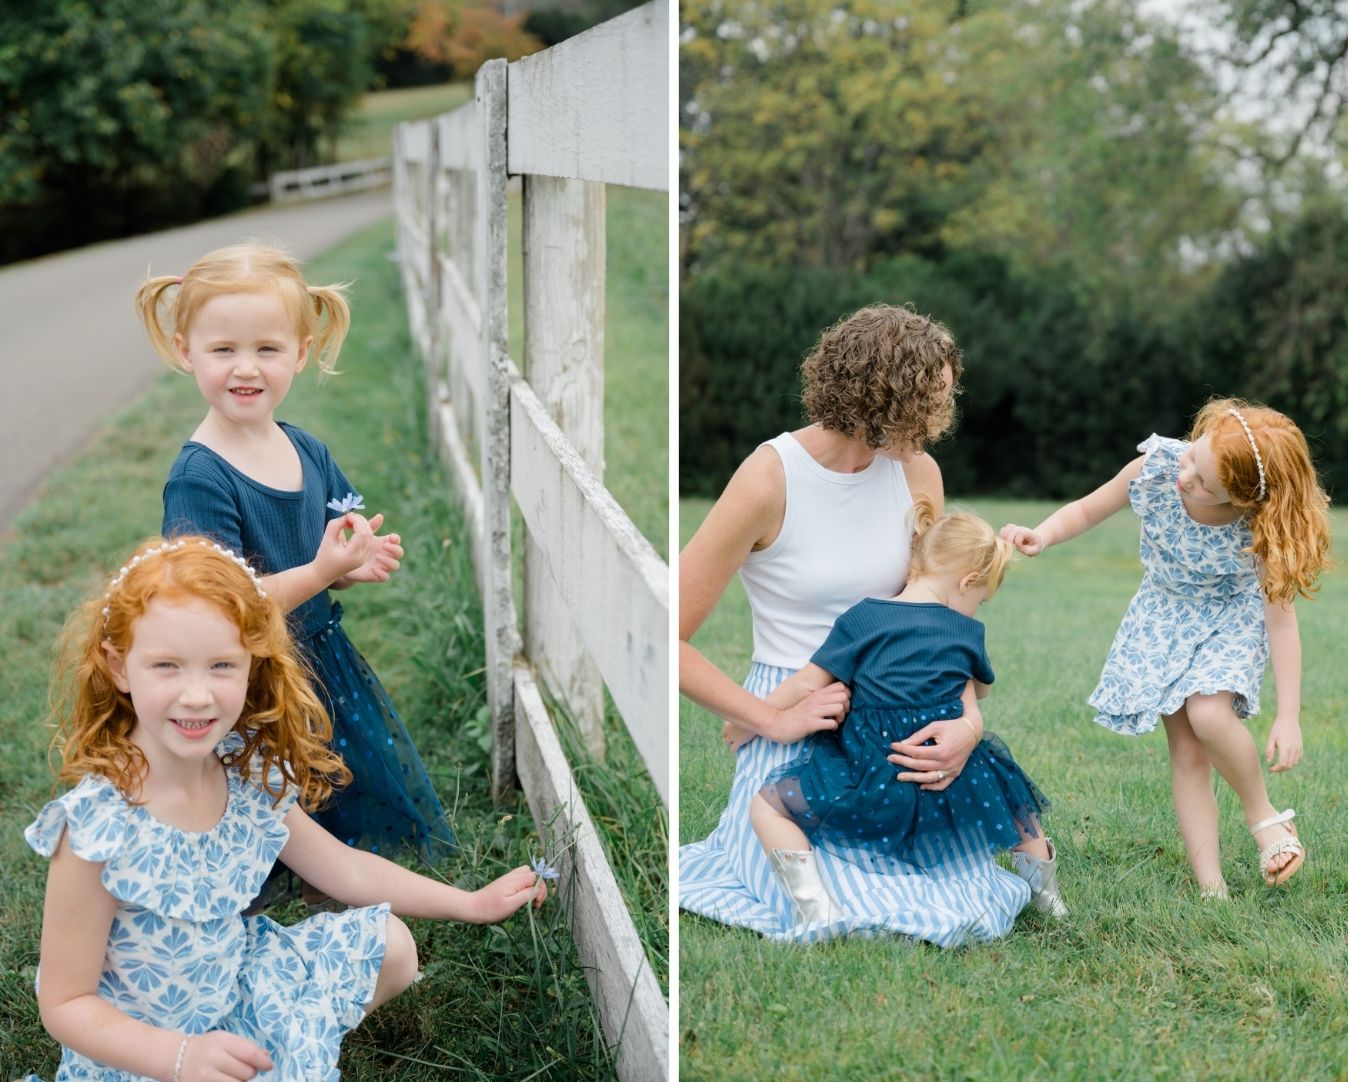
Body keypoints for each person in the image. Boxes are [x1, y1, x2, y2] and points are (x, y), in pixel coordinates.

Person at [25, 537, 547, 1081]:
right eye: (167, 666)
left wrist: (470, 903)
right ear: (119, 668)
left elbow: (343, 869)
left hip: (237, 991)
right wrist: (178, 1058)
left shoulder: (241, 770)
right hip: (141, 1049)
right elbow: (66, 1003)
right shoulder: (97, 829)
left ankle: (266, 1046)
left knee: (392, 946)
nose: (198, 694)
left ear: (253, 665)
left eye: (221, 665)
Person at [679, 304, 1034, 946]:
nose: (941, 422)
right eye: (932, 404)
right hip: (797, 705)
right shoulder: (769, 477)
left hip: (893, 721)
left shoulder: (917, 473)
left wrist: (967, 727)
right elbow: (664, 633)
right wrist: (772, 718)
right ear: (886, 400)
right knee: (832, 889)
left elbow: (935, 629)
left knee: (955, 895)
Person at [135, 243, 452, 877]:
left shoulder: (304, 449)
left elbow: (324, 541)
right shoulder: (200, 478)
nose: (244, 368)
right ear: (184, 350)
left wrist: (350, 563)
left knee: (333, 781)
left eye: (267, 349)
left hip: (319, 656)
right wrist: (322, 572)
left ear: (301, 354)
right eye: (223, 349)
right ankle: (272, 891)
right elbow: (219, 608)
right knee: (263, 800)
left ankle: (333, 885)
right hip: (247, 679)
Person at [1000, 399, 1331, 896]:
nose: (1186, 478)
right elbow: (1089, 507)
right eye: (1193, 458)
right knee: (1187, 753)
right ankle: (1212, 887)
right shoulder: (1158, 467)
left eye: (1204, 483)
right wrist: (1041, 535)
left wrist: (1289, 716)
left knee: (1211, 716)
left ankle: (1263, 815)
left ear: (1242, 499)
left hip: (1228, 619)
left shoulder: (1259, 525)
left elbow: (1281, 624)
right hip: (1164, 618)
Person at [750, 498, 1066, 924]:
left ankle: (815, 907)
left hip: (872, 780)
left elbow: (809, 682)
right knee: (1013, 798)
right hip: (948, 785)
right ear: (967, 581)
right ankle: (1048, 899)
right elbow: (980, 691)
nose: (977, 608)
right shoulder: (965, 631)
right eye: (981, 598)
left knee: (768, 807)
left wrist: (750, 717)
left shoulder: (864, 617)